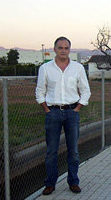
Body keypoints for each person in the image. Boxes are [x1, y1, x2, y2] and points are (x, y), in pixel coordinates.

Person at [36, 37, 91, 195]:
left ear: (70, 50)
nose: (63, 50)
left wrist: (78, 108)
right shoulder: (45, 68)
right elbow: (40, 91)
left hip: (71, 113)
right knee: (51, 151)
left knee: (73, 151)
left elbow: (85, 90)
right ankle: (50, 183)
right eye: (60, 47)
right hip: (52, 113)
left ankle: (73, 181)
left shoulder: (78, 68)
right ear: (54, 49)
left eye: (66, 48)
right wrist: (47, 109)